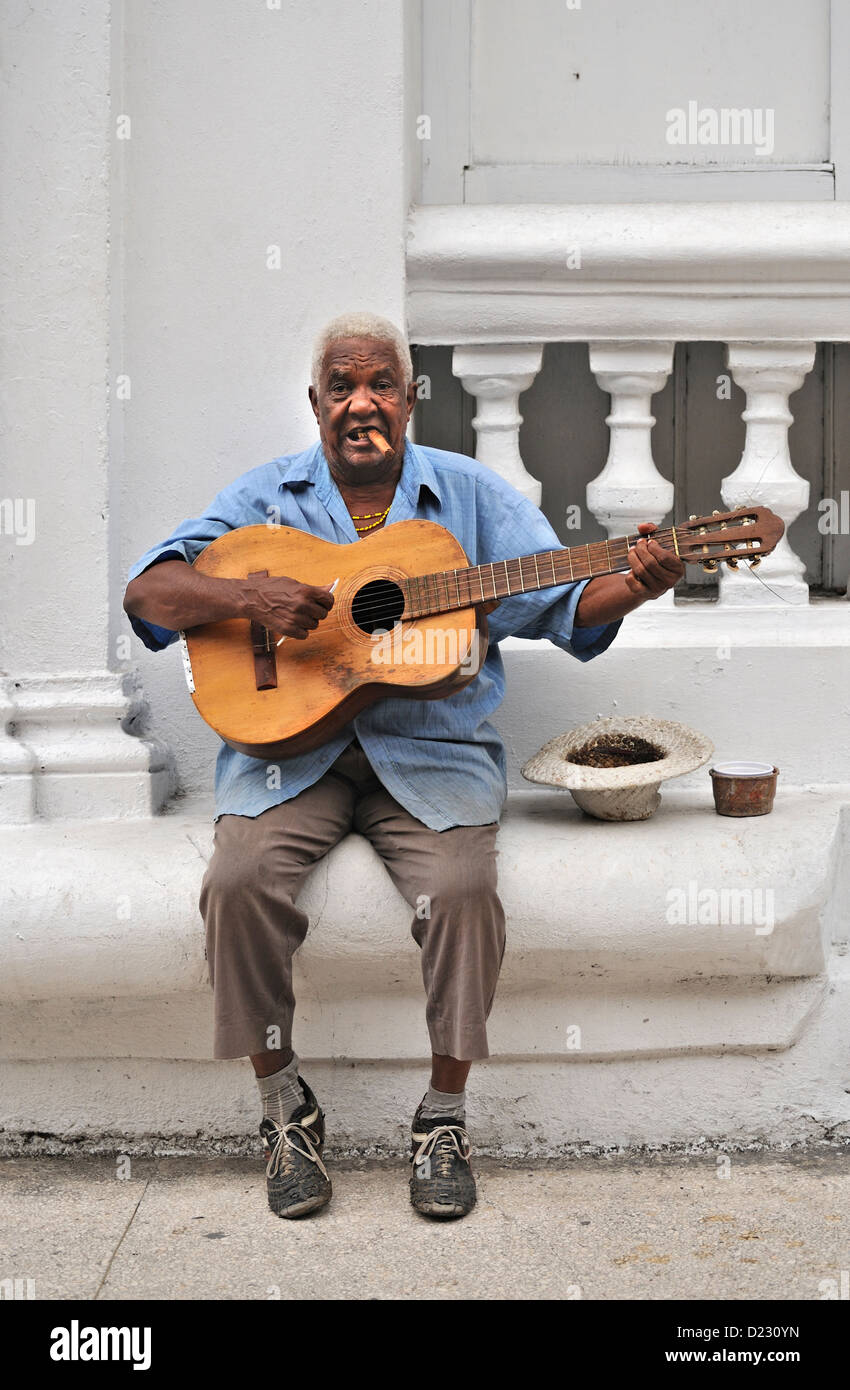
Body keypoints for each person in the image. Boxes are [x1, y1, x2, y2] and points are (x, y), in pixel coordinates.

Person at [123, 311, 684, 1222]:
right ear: (315, 404)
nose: (361, 404)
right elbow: (150, 593)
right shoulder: (266, 498)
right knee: (236, 882)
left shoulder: (468, 496)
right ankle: (283, 1108)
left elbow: (564, 598)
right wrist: (244, 593)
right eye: (341, 387)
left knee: (464, 892)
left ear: (412, 399)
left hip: (432, 756)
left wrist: (639, 577)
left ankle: (444, 1118)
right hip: (285, 762)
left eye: (380, 384)